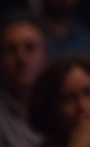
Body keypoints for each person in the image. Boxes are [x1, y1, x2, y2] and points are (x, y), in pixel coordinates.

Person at [0, 14, 47, 147]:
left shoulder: (62, 105)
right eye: (10, 50)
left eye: (30, 47)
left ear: (46, 54)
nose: (21, 58)